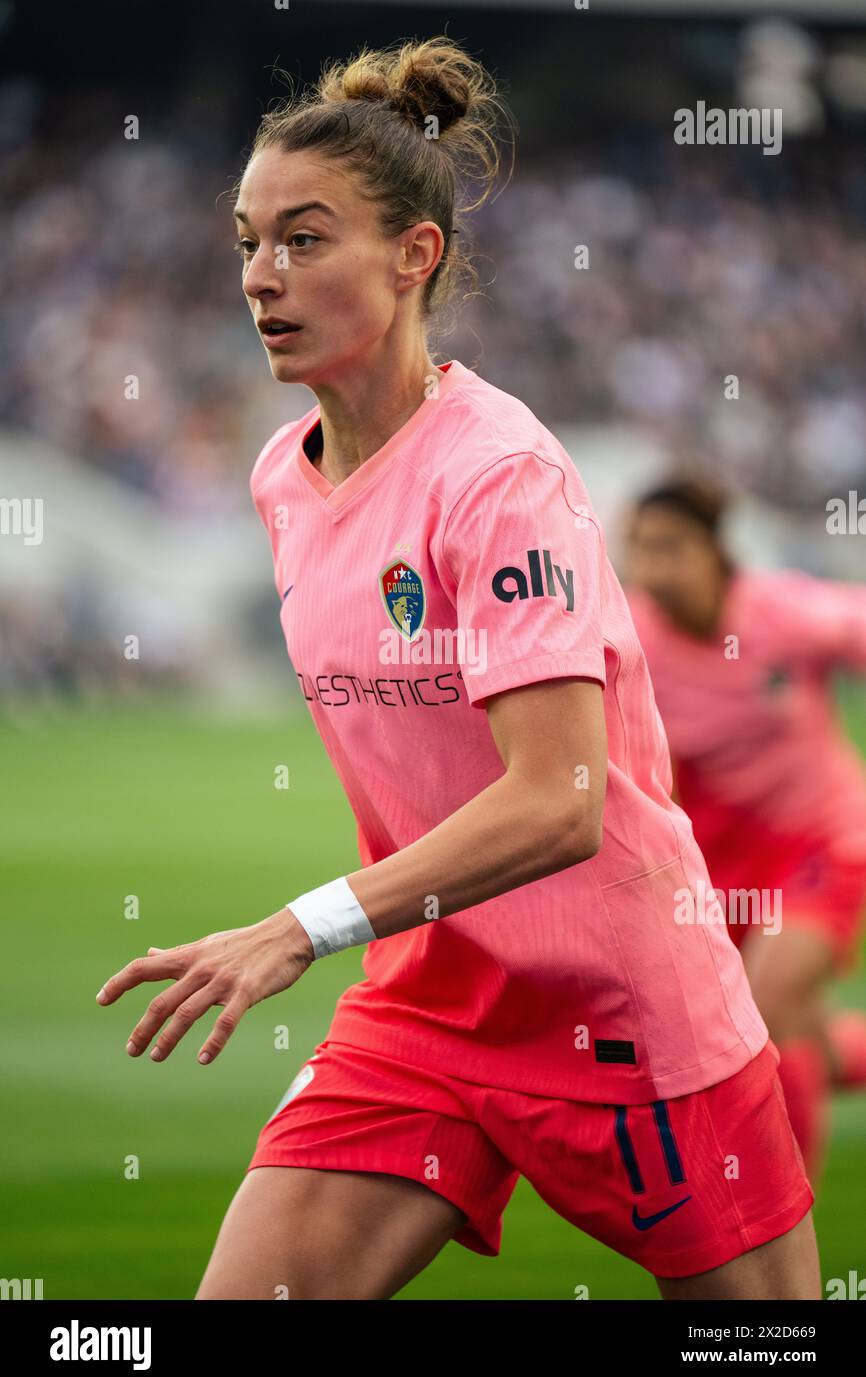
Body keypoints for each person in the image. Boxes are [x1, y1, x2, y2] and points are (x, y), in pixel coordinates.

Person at [97, 38, 818, 1300]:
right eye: (247, 240)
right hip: (426, 1007)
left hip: (623, 1013)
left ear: (413, 255)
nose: (261, 276)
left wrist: (295, 929)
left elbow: (559, 797)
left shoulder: (501, 477)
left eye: (305, 240)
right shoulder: (280, 476)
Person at [627, 477, 866, 1186]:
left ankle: (783, 1226)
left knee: (772, 997)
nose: (652, 569)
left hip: (822, 843)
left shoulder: (781, 613)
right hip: (715, 874)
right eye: (640, 550)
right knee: (749, 1036)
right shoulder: (631, 646)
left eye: (670, 548)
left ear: (715, 552)